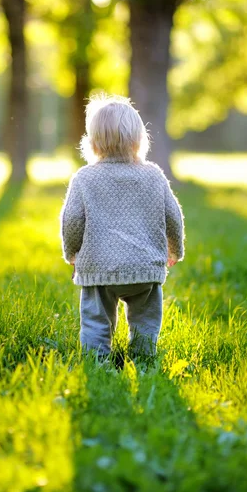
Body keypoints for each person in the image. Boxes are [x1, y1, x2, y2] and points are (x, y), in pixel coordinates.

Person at [60, 94, 185, 361]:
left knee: (96, 321)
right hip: (145, 267)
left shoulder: (84, 178)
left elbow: (71, 220)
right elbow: (173, 215)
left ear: (92, 143)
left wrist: (73, 254)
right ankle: (142, 359)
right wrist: (175, 250)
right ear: (140, 140)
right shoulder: (153, 174)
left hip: (98, 267)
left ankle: (97, 363)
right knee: (145, 322)